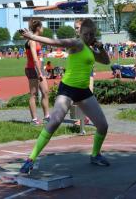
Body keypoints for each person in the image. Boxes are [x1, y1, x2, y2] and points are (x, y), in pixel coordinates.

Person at [18, 18, 110, 174]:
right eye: (86, 34)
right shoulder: (77, 43)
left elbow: (106, 61)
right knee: (54, 122)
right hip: (67, 89)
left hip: (83, 91)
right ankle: (31, 159)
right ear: (81, 33)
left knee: (103, 126)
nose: (89, 37)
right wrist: (33, 37)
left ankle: (95, 155)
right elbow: (56, 42)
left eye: (91, 35)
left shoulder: (90, 49)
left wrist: (100, 48)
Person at [24, 19, 50, 125]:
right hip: (33, 68)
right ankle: (34, 119)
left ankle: (47, 116)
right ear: (38, 28)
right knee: (33, 94)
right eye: (42, 26)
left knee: (45, 92)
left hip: (39, 67)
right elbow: (35, 58)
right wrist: (40, 72)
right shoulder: (33, 41)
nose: (43, 28)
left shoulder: (35, 39)